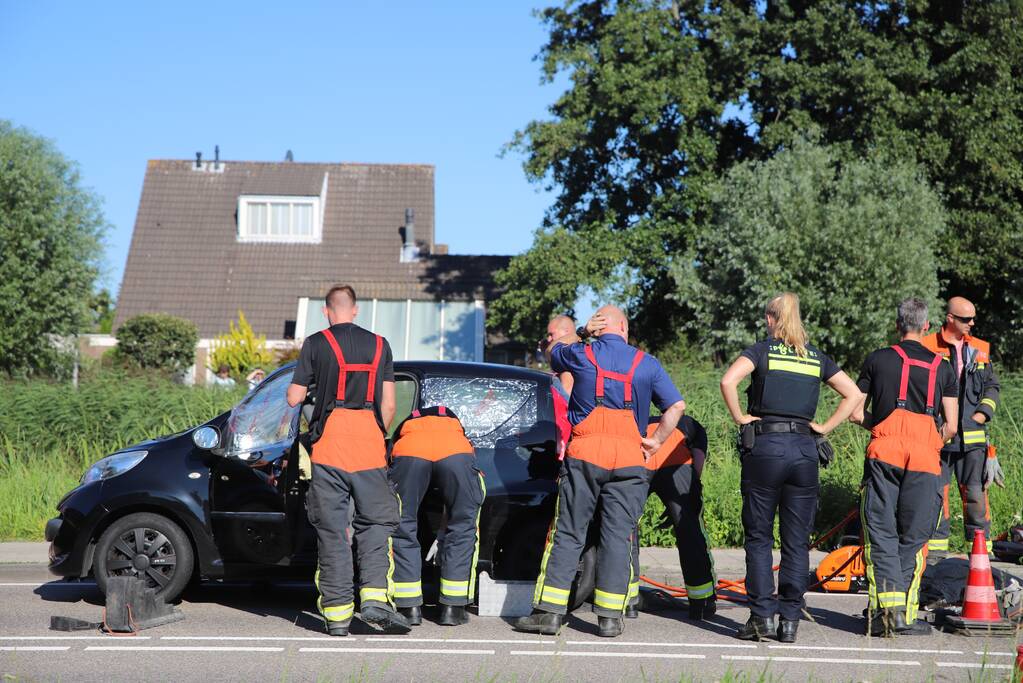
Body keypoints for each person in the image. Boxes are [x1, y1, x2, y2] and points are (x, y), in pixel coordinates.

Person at [514, 305, 686, 638]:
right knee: (617, 537)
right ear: (624, 327)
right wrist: (655, 441)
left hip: (586, 453)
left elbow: (554, 354)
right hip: (630, 456)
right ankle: (609, 618)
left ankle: (549, 614)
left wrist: (581, 332)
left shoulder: (581, 352)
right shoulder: (647, 363)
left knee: (569, 533)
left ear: (598, 327)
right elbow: (676, 406)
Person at [720, 293, 861, 643]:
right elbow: (854, 394)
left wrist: (740, 417)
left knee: (758, 536)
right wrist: (825, 427)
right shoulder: (815, 357)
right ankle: (790, 622)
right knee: (796, 542)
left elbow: (728, 381)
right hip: (804, 451)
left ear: (771, 319)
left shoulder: (762, 351)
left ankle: (761, 618)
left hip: (766, 448)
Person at [286, 285, 409, 636]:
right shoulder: (381, 344)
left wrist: (305, 389)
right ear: (355, 310)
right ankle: (373, 599)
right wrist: (375, 436)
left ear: (327, 311)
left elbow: (294, 398)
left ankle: (338, 617)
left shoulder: (315, 343)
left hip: (329, 447)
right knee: (375, 525)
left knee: (334, 531)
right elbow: (388, 406)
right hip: (369, 443)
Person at [851, 297, 958, 637]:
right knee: (912, 539)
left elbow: (854, 410)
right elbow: (952, 426)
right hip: (927, 459)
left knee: (881, 533)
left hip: (884, 453)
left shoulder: (878, 359)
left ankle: (886, 611)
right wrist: (928, 441)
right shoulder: (943, 367)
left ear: (898, 325)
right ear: (927, 327)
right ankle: (902, 617)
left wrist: (880, 428)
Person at [389, 406, 485, 627]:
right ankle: (453, 608)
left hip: (410, 449)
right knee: (462, 527)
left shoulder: (406, 431)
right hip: (455, 451)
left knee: (401, 526)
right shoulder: (456, 432)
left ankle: (408, 608)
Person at [922, 296, 1003, 556]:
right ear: (950, 319)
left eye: (973, 318)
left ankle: (981, 556)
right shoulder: (927, 346)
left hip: (973, 438)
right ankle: (935, 557)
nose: (972, 323)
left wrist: (983, 414)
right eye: (966, 319)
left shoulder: (980, 348)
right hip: (939, 436)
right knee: (937, 496)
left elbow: (992, 385)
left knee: (976, 497)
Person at [627, 415, 716, 621]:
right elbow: (697, 465)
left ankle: (628, 601)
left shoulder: (643, 420)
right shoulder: (693, 425)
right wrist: (683, 500)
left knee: (627, 528)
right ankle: (701, 604)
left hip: (643, 457)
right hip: (676, 460)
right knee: (690, 531)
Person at [545, 315, 576, 394]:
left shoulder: (569, 356)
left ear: (566, 332)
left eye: (551, 334)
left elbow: (565, 397)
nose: (549, 339)